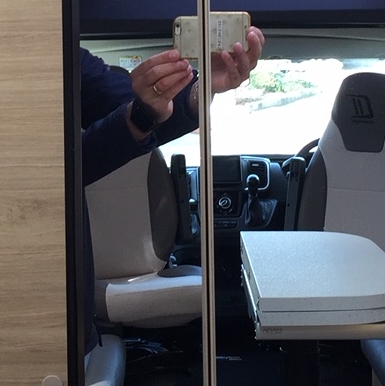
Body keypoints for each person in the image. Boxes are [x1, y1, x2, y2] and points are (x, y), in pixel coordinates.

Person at [76, 26, 265, 351]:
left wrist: (203, 86)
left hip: (70, 307)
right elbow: (64, 166)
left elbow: (137, 105)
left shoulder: (66, 57)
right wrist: (142, 113)